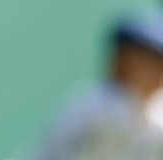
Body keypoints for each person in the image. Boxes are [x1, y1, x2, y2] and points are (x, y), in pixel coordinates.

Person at [31, 10, 163, 160]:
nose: (160, 70)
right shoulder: (101, 108)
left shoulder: (155, 110)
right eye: (155, 61)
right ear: (126, 63)